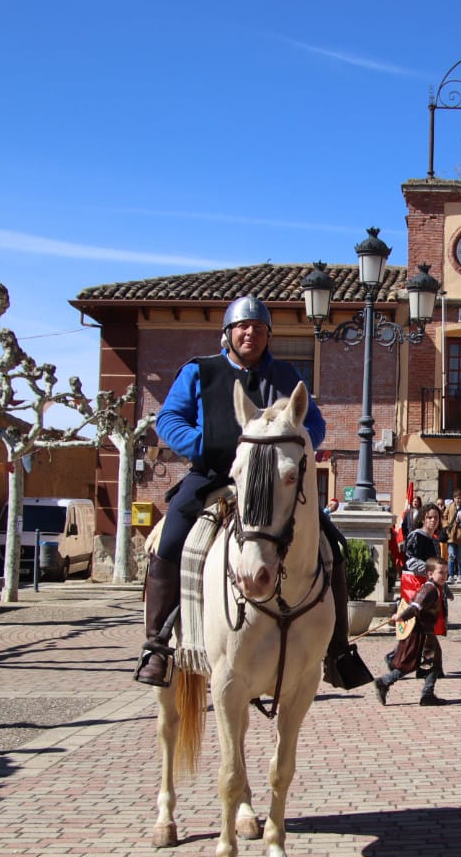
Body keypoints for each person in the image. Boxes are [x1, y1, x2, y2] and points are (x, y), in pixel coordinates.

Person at [136, 295, 365, 690]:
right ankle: (157, 645)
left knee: (334, 546)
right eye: (243, 327)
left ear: (267, 337)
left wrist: (293, 445)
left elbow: (314, 423)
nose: (250, 334)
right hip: (211, 476)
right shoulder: (199, 372)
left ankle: (338, 651)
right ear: (227, 334)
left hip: (272, 483)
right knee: (171, 539)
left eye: (259, 329)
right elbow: (168, 418)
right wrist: (202, 444)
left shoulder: (286, 375)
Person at [373, 557, 450, 707]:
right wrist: (401, 616)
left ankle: (427, 695)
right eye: (441, 572)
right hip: (419, 633)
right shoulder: (429, 589)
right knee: (410, 664)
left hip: (426, 633)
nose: (444, 575)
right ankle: (384, 681)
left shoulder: (436, 588)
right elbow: (415, 607)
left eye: (446, 572)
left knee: (433, 662)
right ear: (429, 574)